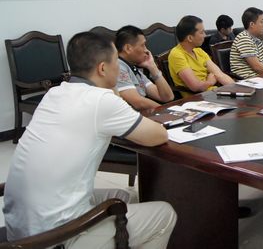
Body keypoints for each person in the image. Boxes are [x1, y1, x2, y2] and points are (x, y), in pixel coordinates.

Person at [3, 32, 177, 248]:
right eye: (116, 62)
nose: (119, 69)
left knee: (124, 196)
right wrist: (113, 91)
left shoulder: (55, 93)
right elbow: (158, 135)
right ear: (102, 68)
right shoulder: (101, 100)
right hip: (55, 238)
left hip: (21, 227)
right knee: (165, 214)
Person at [169, 15, 234, 96]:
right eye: (201, 32)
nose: (205, 35)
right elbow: (196, 87)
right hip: (198, 97)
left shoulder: (199, 51)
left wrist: (236, 88)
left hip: (214, 93)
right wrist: (210, 82)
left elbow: (219, 74)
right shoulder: (176, 54)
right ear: (190, 38)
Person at [115, 25, 174, 111]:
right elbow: (138, 102)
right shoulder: (118, 66)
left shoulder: (133, 68)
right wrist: (167, 111)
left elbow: (167, 97)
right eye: (143, 45)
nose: (146, 50)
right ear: (128, 48)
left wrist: (152, 66)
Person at [230, 7, 263, 78]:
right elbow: (257, 67)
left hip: (262, 78)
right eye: (261, 22)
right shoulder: (243, 38)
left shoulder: (257, 40)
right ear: (252, 24)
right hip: (249, 80)